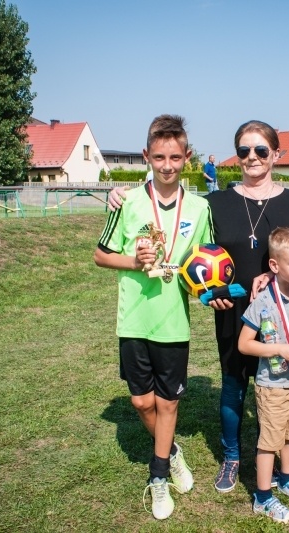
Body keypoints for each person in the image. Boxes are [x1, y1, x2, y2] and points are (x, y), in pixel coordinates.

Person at [108, 120, 289, 494]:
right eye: (245, 150)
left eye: (261, 151)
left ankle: (283, 472)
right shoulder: (215, 203)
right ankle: (232, 458)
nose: (252, 158)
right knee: (233, 385)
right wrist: (118, 195)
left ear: (276, 155)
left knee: (283, 387)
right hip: (233, 310)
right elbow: (195, 253)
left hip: (283, 313)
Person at [93, 115, 210, 520]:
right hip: (134, 319)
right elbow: (100, 255)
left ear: (187, 158)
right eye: (159, 156)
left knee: (168, 403)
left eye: (175, 157)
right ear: (147, 156)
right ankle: (172, 450)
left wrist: (211, 291)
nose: (167, 165)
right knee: (142, 402)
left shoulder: (199, 206)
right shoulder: (125, 202)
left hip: (174, 321)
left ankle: (159, 475)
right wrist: (135, 261)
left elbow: (205, 262)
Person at [238, 227, 289, 525]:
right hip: (272, 386)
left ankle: (285, 480)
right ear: (275, 266)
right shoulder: (263, 302)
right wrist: (279, 350)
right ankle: (262, 498)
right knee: (269, 441)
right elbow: (244, 344)